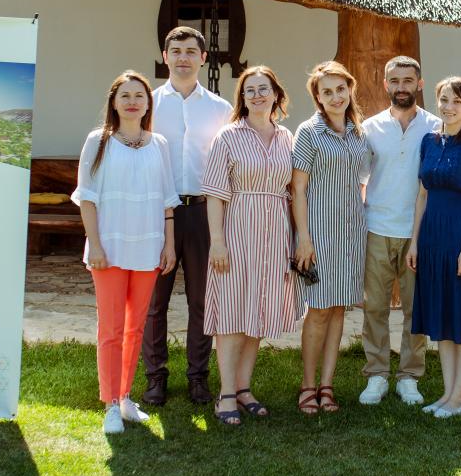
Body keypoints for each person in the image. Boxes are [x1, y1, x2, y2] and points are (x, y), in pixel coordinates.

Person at [72, 71, 179, 434]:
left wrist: (169, 243)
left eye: (139, 95)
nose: (132, 101)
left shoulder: (159, 143)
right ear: (114, 102)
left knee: (136, 327)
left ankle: (126, 396)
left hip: (148, 246)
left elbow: (167, 200)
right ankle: (110, 404)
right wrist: (96, 245)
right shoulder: (98, 142)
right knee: (111, 328)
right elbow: (86, 197)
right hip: (110, 248)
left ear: (148, 103)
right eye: (125, 95)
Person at [201, 66, 302, 426]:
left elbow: (295, 193)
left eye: (263, 89)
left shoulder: (288, 138)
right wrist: (217, 243)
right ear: (242, 99)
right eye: (249, 90)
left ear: (276, 94)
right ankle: (226, 392)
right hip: (237, 229)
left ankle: (244, 388)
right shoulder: (227, 137)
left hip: (275, 233)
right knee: (231, 311)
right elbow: (214, 193)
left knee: (257, 310)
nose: (257, 95)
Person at [142, 26, 231, 407]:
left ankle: (198, 377)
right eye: (175, 50)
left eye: (190, 51)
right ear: (165, 56)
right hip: (155, 213)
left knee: (202, 300)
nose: (182, 57)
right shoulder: (148, 103)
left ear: (203, 58)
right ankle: (155, 377)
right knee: (154, 301)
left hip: (201, 212)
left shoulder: (221, 109)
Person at [407, 76, 461, 418]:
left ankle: (460, 397)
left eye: (457, 101)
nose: (448, 107)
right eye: (444, 99)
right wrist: (414, 242)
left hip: (460, 238)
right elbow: (422, 195)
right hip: (431, 240)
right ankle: (446, 395)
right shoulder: (429, 141)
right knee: (442, 319)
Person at [358, 56, 441, 406]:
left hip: (418, 232)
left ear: (420, 84)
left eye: (408, 80)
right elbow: (360, 177)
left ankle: (409, 376)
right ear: (385, 84)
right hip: (377, 226)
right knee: (374, 306)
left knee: (414, 309)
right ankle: (376, 374)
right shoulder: (370, 128)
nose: (401, 87)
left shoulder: (436, 127)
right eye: (395, 80)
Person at [291, 61, 371, 414]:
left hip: (351, 233)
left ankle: (328, 385)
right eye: (327, 92)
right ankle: (307, 387)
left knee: (339, 309)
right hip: (319, 234)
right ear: (318, 98)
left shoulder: (358, 133)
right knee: (319, 310)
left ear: (349, 89)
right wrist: (303, 237)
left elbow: (362, 180)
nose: (335, 96)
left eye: (340, 89)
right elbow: (297, 187)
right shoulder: (309, 133)